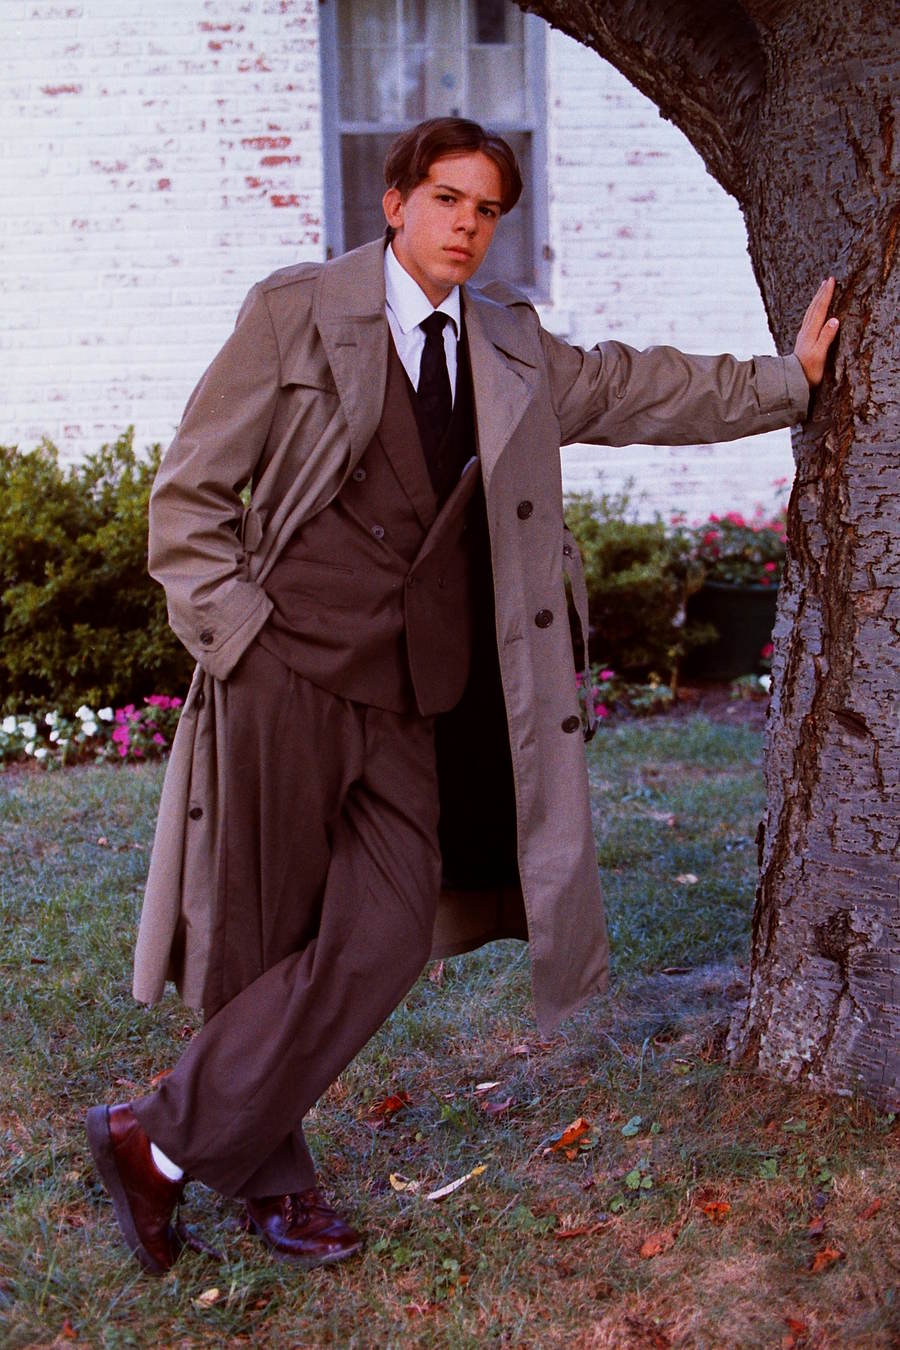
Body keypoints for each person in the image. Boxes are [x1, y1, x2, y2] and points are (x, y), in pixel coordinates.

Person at [85, 117, 838, 1275]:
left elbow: (638, 387)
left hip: (412, 698)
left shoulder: (509, 345)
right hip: (283, 677)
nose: (466, 227)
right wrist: (237, 637)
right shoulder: (295, 312)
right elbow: (190, 496)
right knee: (263, 940)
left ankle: (156, 1140)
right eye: (447, 199)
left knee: (387, 935)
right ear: (396, 201)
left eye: (487, 211)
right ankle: (274, 1187)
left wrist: (789, 382)